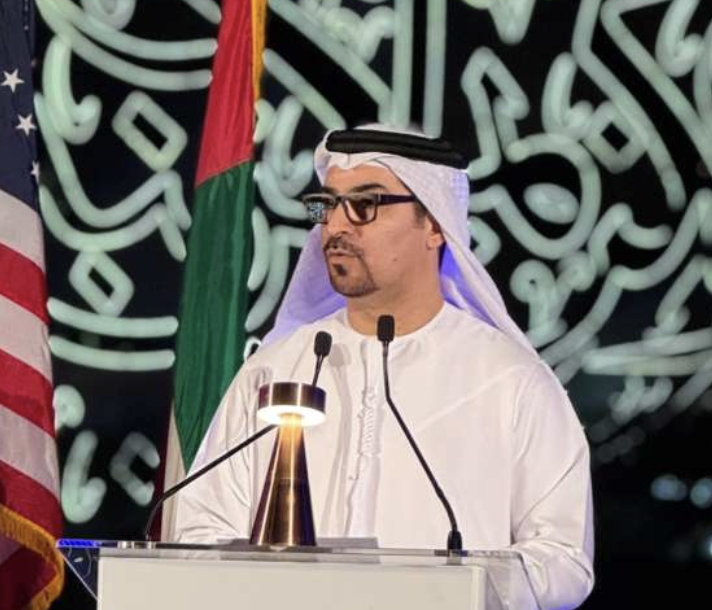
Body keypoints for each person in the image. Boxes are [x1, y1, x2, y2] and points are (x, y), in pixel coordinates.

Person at [172, 124, 594, 610]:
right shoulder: (276, 369)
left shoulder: (510, 380)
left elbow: (563, 559)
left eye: (365, 204)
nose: (336, 225)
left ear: (434, 225)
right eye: (328, 205)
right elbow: (199, 530)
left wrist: (452, 585)